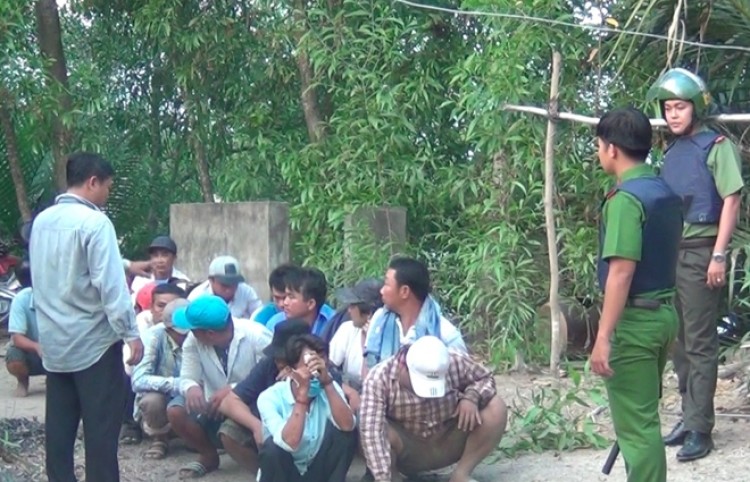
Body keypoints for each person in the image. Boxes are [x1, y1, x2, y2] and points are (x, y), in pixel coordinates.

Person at [647, 68, 744, 461]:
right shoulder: (671, 152)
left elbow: (731, 200)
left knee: (701, 343)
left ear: (696, 107)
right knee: (679, 341)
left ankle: (700, 429)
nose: (673, 114)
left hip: (702, 251)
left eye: (680, 107)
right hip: (673, 252)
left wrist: (718, 254)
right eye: (668, 108)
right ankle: (689, 419)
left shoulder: (717, 146)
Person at [29, 152, 144, 482]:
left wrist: (125, 264)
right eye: (108, 186)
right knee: (101, 435)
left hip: (55, 345)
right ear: (93, 182)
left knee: (59, 433)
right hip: (94, 346)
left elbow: (57, 269)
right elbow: (110, 286)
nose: (108, 194)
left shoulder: (42, 222)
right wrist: (130, 333)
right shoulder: (95, 223)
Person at [589, 107, 683, 482]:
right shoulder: (664, 192)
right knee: (642, 419)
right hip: (664, 315)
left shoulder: (625, 200)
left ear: (611, 148)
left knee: (638, 429)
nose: (599, 152)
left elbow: (621, 272)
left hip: (635, 323)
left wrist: (603, 336)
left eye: (599, 145)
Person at [360, 336, 506, 482]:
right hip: (406, 446)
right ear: (403, 367)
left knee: (495, 408)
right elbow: (371, 432)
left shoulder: (454, 360)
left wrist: (472, 397)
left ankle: (461, 474)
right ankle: (393, 478)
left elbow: (485, 378)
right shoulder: (378, 379)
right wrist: (383, 478)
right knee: (372, 427)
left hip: (447, 436)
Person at [168, 295, 272, 479]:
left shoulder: (257, 336)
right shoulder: (193, 340)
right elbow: (187, 376)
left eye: (194, 329)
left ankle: (266, 475)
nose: (190, 332)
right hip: (213, 401)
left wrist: (234, 389)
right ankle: (208, 456)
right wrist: (191, 387)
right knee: (176, 411)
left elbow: (270, 379)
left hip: (251, 402)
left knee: (229, 435)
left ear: (210, 334)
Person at [257, 334, 357, 482]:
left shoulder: (329, 386)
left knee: (345, 435)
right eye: (309, 367)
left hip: (317, 469)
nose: (315, 374)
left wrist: (327, 383)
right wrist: (302, 397)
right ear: (290, 371)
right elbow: (290, 442)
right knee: (272, 448)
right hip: (285, 471)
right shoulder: (269, 397)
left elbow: (348, 426)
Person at [364, 257, 466, 370]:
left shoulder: (446, 336)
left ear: (404, 291)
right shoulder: (379, 321)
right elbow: (368, 372)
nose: (381, 290)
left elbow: (462, 375)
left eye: (387, 284)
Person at [122, 283, 189, 445]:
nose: (168, 311)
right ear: (151, 308)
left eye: (174, 306)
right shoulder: (151, 335)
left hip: (188, 398)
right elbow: (138, 380)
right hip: (163, 397)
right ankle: (158, 438)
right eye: (162, 306)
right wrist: (180, 384)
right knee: (152, 401)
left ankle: (194, 436)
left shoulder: (196, 333)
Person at [329, 277, 384, 410]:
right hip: (346, 400)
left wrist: (368, 339)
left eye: (353, 306)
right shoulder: (347, 330)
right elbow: (328, 369)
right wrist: (349, 392)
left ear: (368, 313)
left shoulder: (390, 336)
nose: (349, 311)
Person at [5, 260, 45, 398]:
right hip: (33, 352)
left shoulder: (59, 296)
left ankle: (56, 380)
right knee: (14, 355)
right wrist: (37, 347)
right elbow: (17, 337)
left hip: (57, 349)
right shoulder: (21, 299)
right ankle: (22, 382)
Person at [266, 267, 336, 337]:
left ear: (311, 304)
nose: (285, 303)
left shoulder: (335, 324)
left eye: (291, 297)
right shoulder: (275, 323)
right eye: (286, 296)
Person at [188, 255, 263, 318]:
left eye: (233, 284)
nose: (229, 290)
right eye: (224, 285)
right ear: (211, 280)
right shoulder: (197, 298)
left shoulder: (246, 291)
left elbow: (259, 314)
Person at [130, 235, 190, 300]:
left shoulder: (183, 282)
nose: (160, 260)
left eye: (165, 255)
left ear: (174, 258)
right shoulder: (141, 279)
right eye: (155, 255)